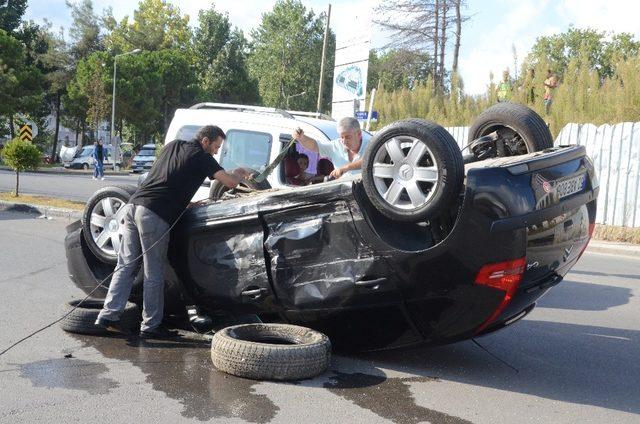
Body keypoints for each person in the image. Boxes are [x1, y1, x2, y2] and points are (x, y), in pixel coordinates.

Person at [95, 125, 253, 338]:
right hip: (154, 215)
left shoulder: (173, 145)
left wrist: (181, 203)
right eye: (215, 146)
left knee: (126, 265)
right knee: (154, 271)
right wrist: (240, 173)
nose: (216, 151)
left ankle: (108, 316)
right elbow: (230, 182)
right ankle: (151, 327)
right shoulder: (202, 157)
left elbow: (168, 177)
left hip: (132, 207)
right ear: (205, 141)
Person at [292, 116, 368, 180]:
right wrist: (301, 137)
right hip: (343, 194)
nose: (344, 141)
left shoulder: (371, 146)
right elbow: (315, 146)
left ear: (359, 134)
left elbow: (368, 160)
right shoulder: (336, 145)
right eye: (341, 137)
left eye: (348, 137)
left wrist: (347, 168)